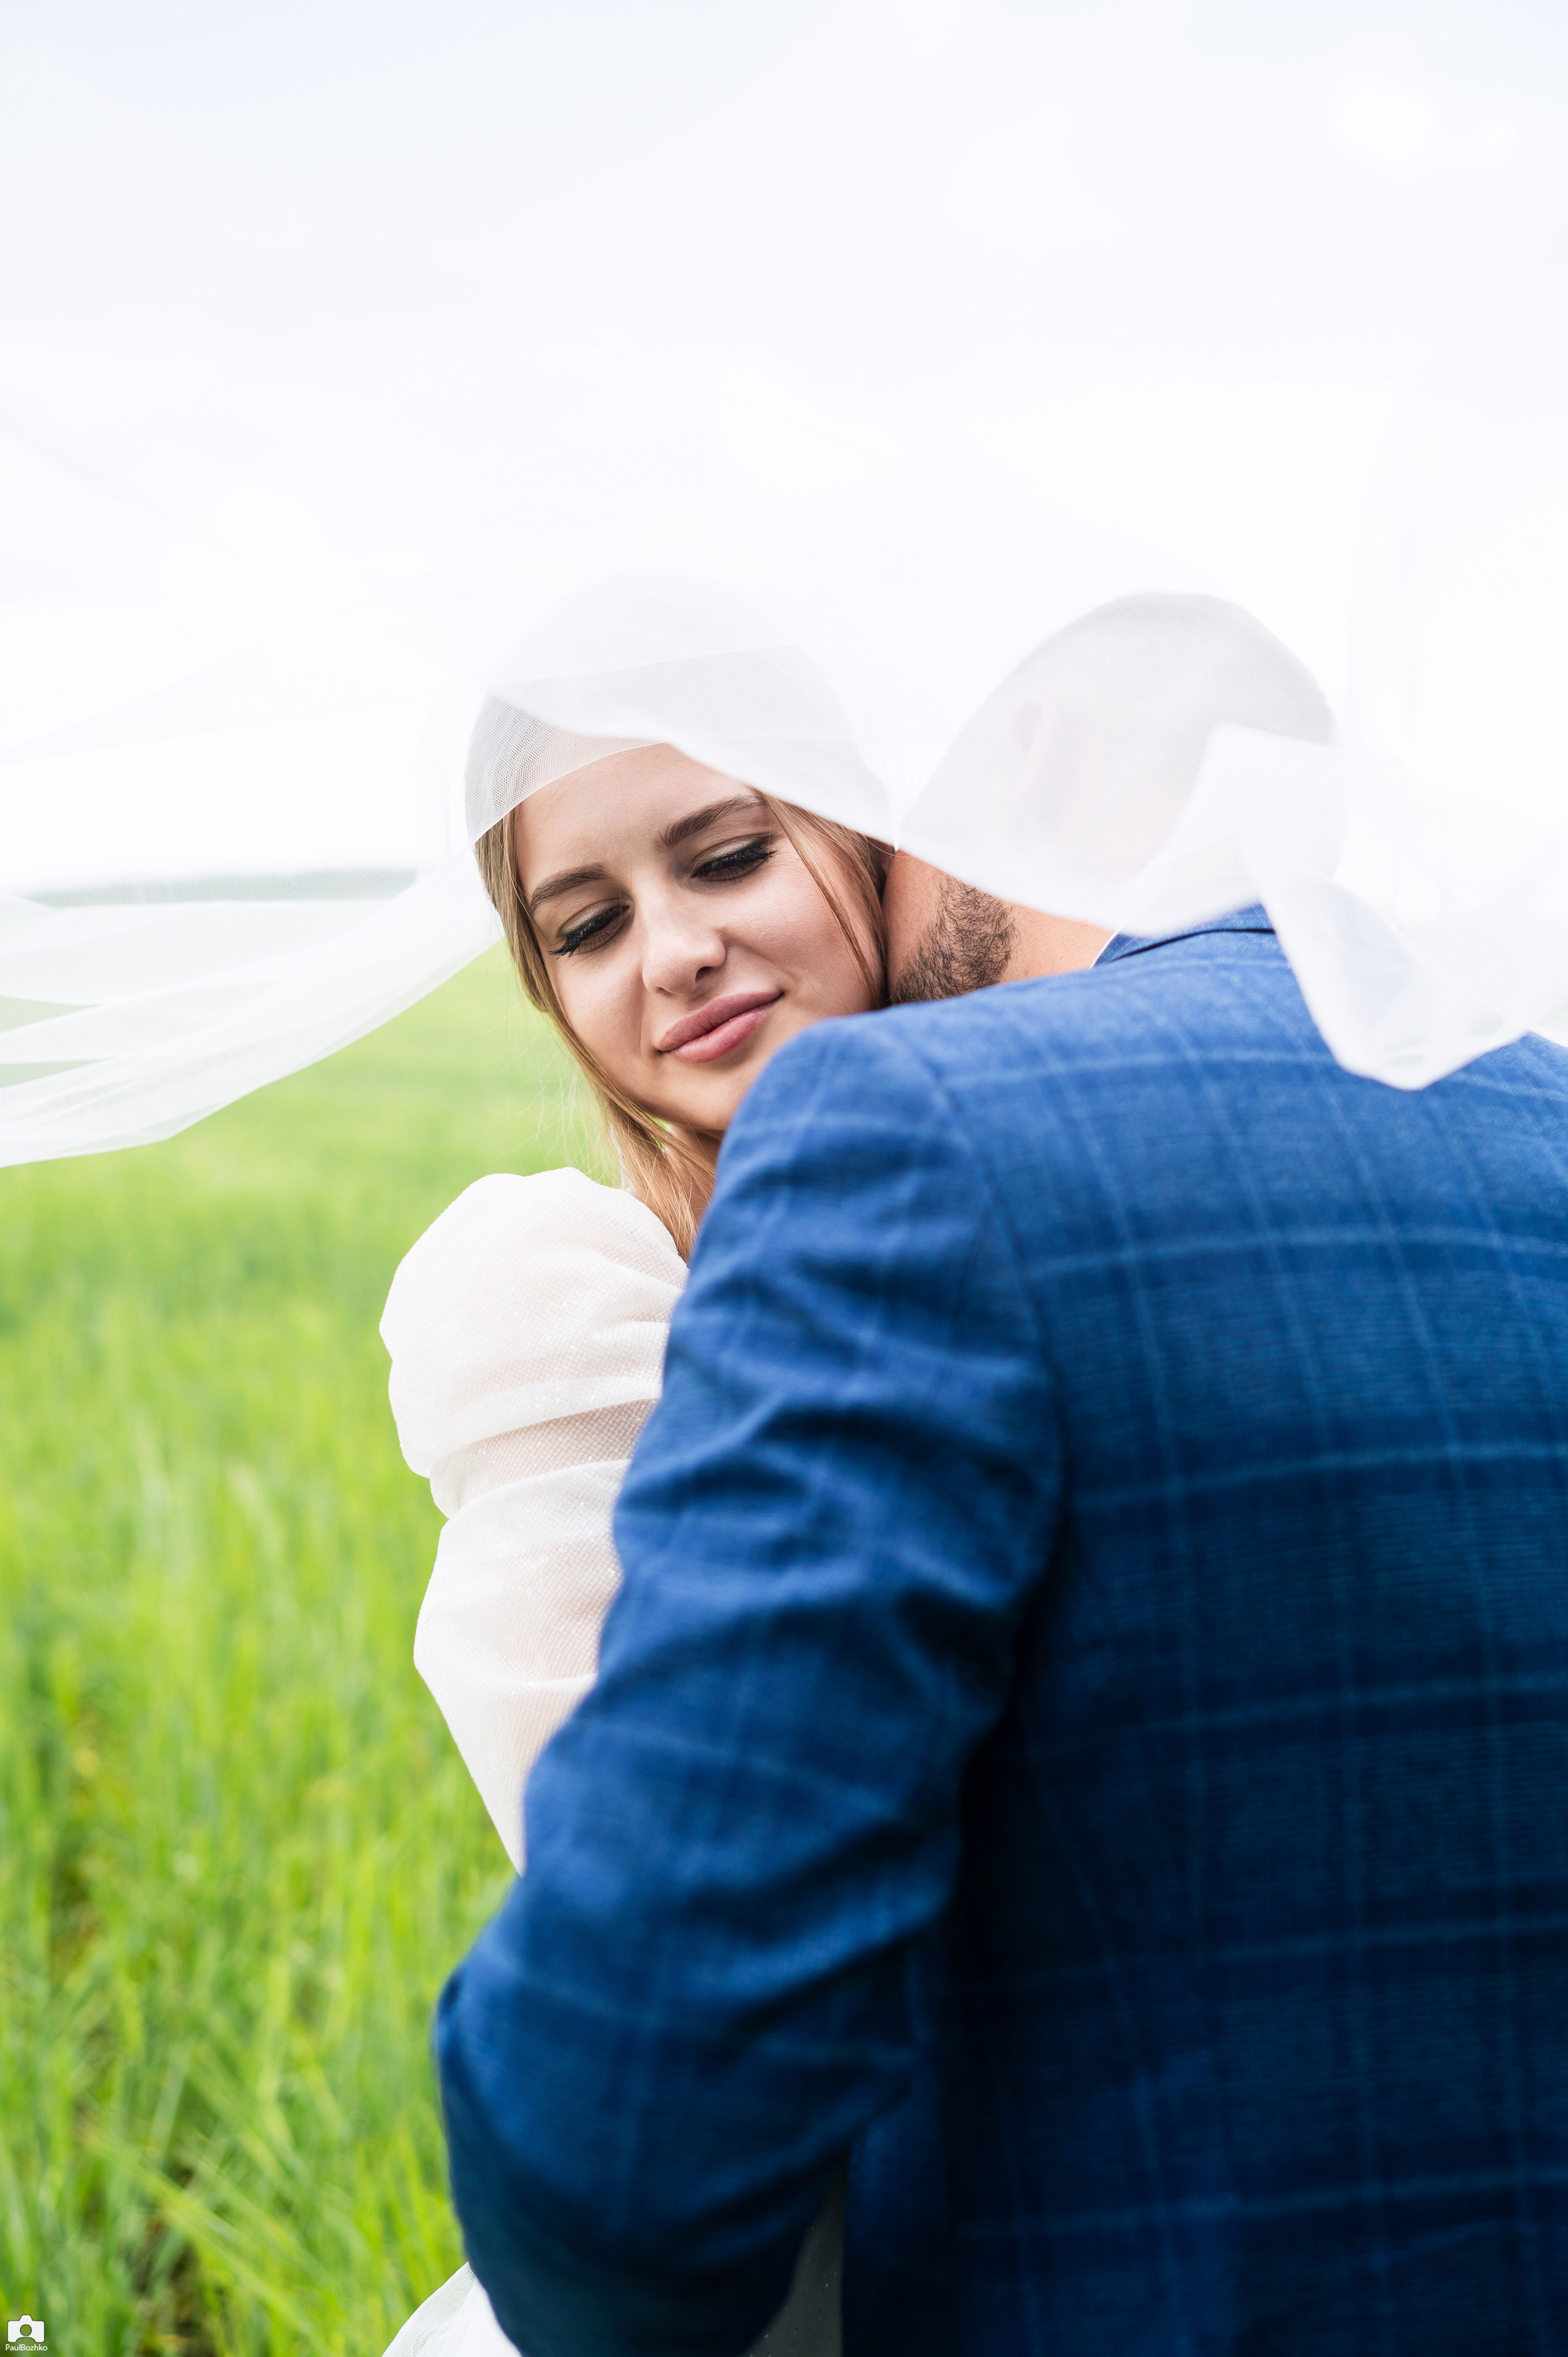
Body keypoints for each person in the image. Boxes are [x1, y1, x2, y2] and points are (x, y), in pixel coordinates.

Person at [431, 598, 1568, 2355]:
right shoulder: (1542, 1113)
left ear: (1010, 767)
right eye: (587, 925)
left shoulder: (911, 1127)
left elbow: (626, 2131)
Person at [380, 729, 887, 2357]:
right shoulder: (566, 1299)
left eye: (728, 857)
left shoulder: (1043, 1195)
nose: (675, 955)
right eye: (586, 927)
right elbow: (660, 1902)